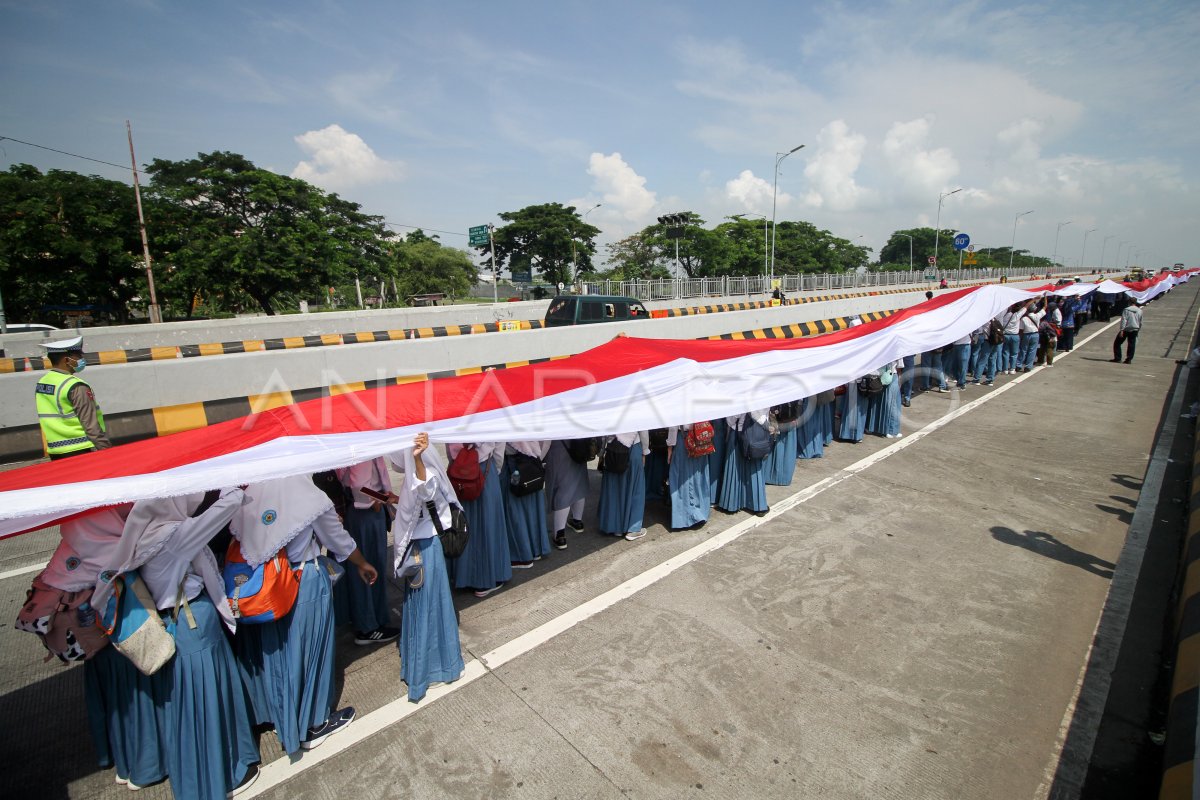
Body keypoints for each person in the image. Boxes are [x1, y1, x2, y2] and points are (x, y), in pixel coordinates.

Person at [100, 490, 261, 800]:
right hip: (192, 624)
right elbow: (224, 508)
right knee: (207, 702)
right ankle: (224, 772)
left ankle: (210, 769)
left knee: (189, 707)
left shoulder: (143, 536)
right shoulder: (173, 535)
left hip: (177, 624)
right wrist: (227, 480)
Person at [228, 475, 375, 754]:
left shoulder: (255, 489)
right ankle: (313, 723)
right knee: (311, 653)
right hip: (303, 580)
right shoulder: (306, 493)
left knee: (281, 654)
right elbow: (337, 539)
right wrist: (362, 563)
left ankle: (285, 717)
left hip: (267, 585)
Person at [45, 507, 167, 791]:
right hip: (121, 637)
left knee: (114, 708)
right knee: (135, 704)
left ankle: (120, 761)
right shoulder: (114, 544)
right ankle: (145, 767)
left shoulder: (71, 542)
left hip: (94, 646)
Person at [389, 433, 466, 702]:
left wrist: (418, 459)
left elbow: (425, 489)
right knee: (429, 605)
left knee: (426, 606)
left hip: (425, 547)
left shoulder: (422, 469)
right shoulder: (419, 470)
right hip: (423, 546)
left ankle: (428, 669)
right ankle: (435, 665)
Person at [338, 459, 401, 645]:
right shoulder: (359, 449)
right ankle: (368, 626)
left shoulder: (347, 443)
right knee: (371, 566)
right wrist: (377, 500)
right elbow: (359, 485)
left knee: (362, 565)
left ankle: (362, 619)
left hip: (357, 513)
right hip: (366, 514)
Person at [446, 442, 511, 597]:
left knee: (461, 522)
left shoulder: (454, 417)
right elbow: (499, 447)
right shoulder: (487, 417)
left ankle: (462, 576)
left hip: (459, 468)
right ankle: (487, 579)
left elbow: (449, 447)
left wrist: (456, 463)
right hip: (484, 470)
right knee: (488, 523)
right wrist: (496, 470)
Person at [34, 336, 111, 459]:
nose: (82, 359)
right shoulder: (75, 386)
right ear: (66, 360)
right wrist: (108, 452)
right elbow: (91, 425)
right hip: (82, 449)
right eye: (78, 356)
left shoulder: (43, 382)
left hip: (56, 451)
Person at [502, 440, 551, 567]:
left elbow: (500, 446)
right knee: (534, 507)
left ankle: (522, 555)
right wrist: (538, 456)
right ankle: (538, 549)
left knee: (516, 511)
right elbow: (546, 440)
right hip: (534, 459)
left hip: (514, 462)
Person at [597, 431, 649, 540]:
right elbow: (643, 430)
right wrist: (645, 450)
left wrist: (602, 452)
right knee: (635, 488)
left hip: (612, 446)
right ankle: (633, 528)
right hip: (633, 447)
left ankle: (615, 527)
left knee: (614, 488)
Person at [717, 411, 770, 515]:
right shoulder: (764, 394)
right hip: (757, 431)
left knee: (735, 466)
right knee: (755, 469)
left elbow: (731, 419)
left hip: (738, 433)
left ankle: (731, 504)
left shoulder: (738, 396)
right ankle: (758, 505)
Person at [544, 440, 589, 551]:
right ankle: (577, 521)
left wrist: (539, 458)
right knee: (579, 484)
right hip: (580, 448)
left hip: (558, 451)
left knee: (562, 490)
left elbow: (546, 442)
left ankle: (560, 535)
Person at [666, 424, 711, 530]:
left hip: (684, 439)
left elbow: (673, 427)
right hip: (700, 438)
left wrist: (670, 447)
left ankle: (685, 516)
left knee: (682, 477)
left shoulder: (678, 407)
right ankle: (700, 511)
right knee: (698, 475)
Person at [764, 405, 798, 486]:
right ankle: (776, 476)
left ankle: (773, 476)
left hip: (783, 418)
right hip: (782, 418)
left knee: (784, 448)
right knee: (785, 448)